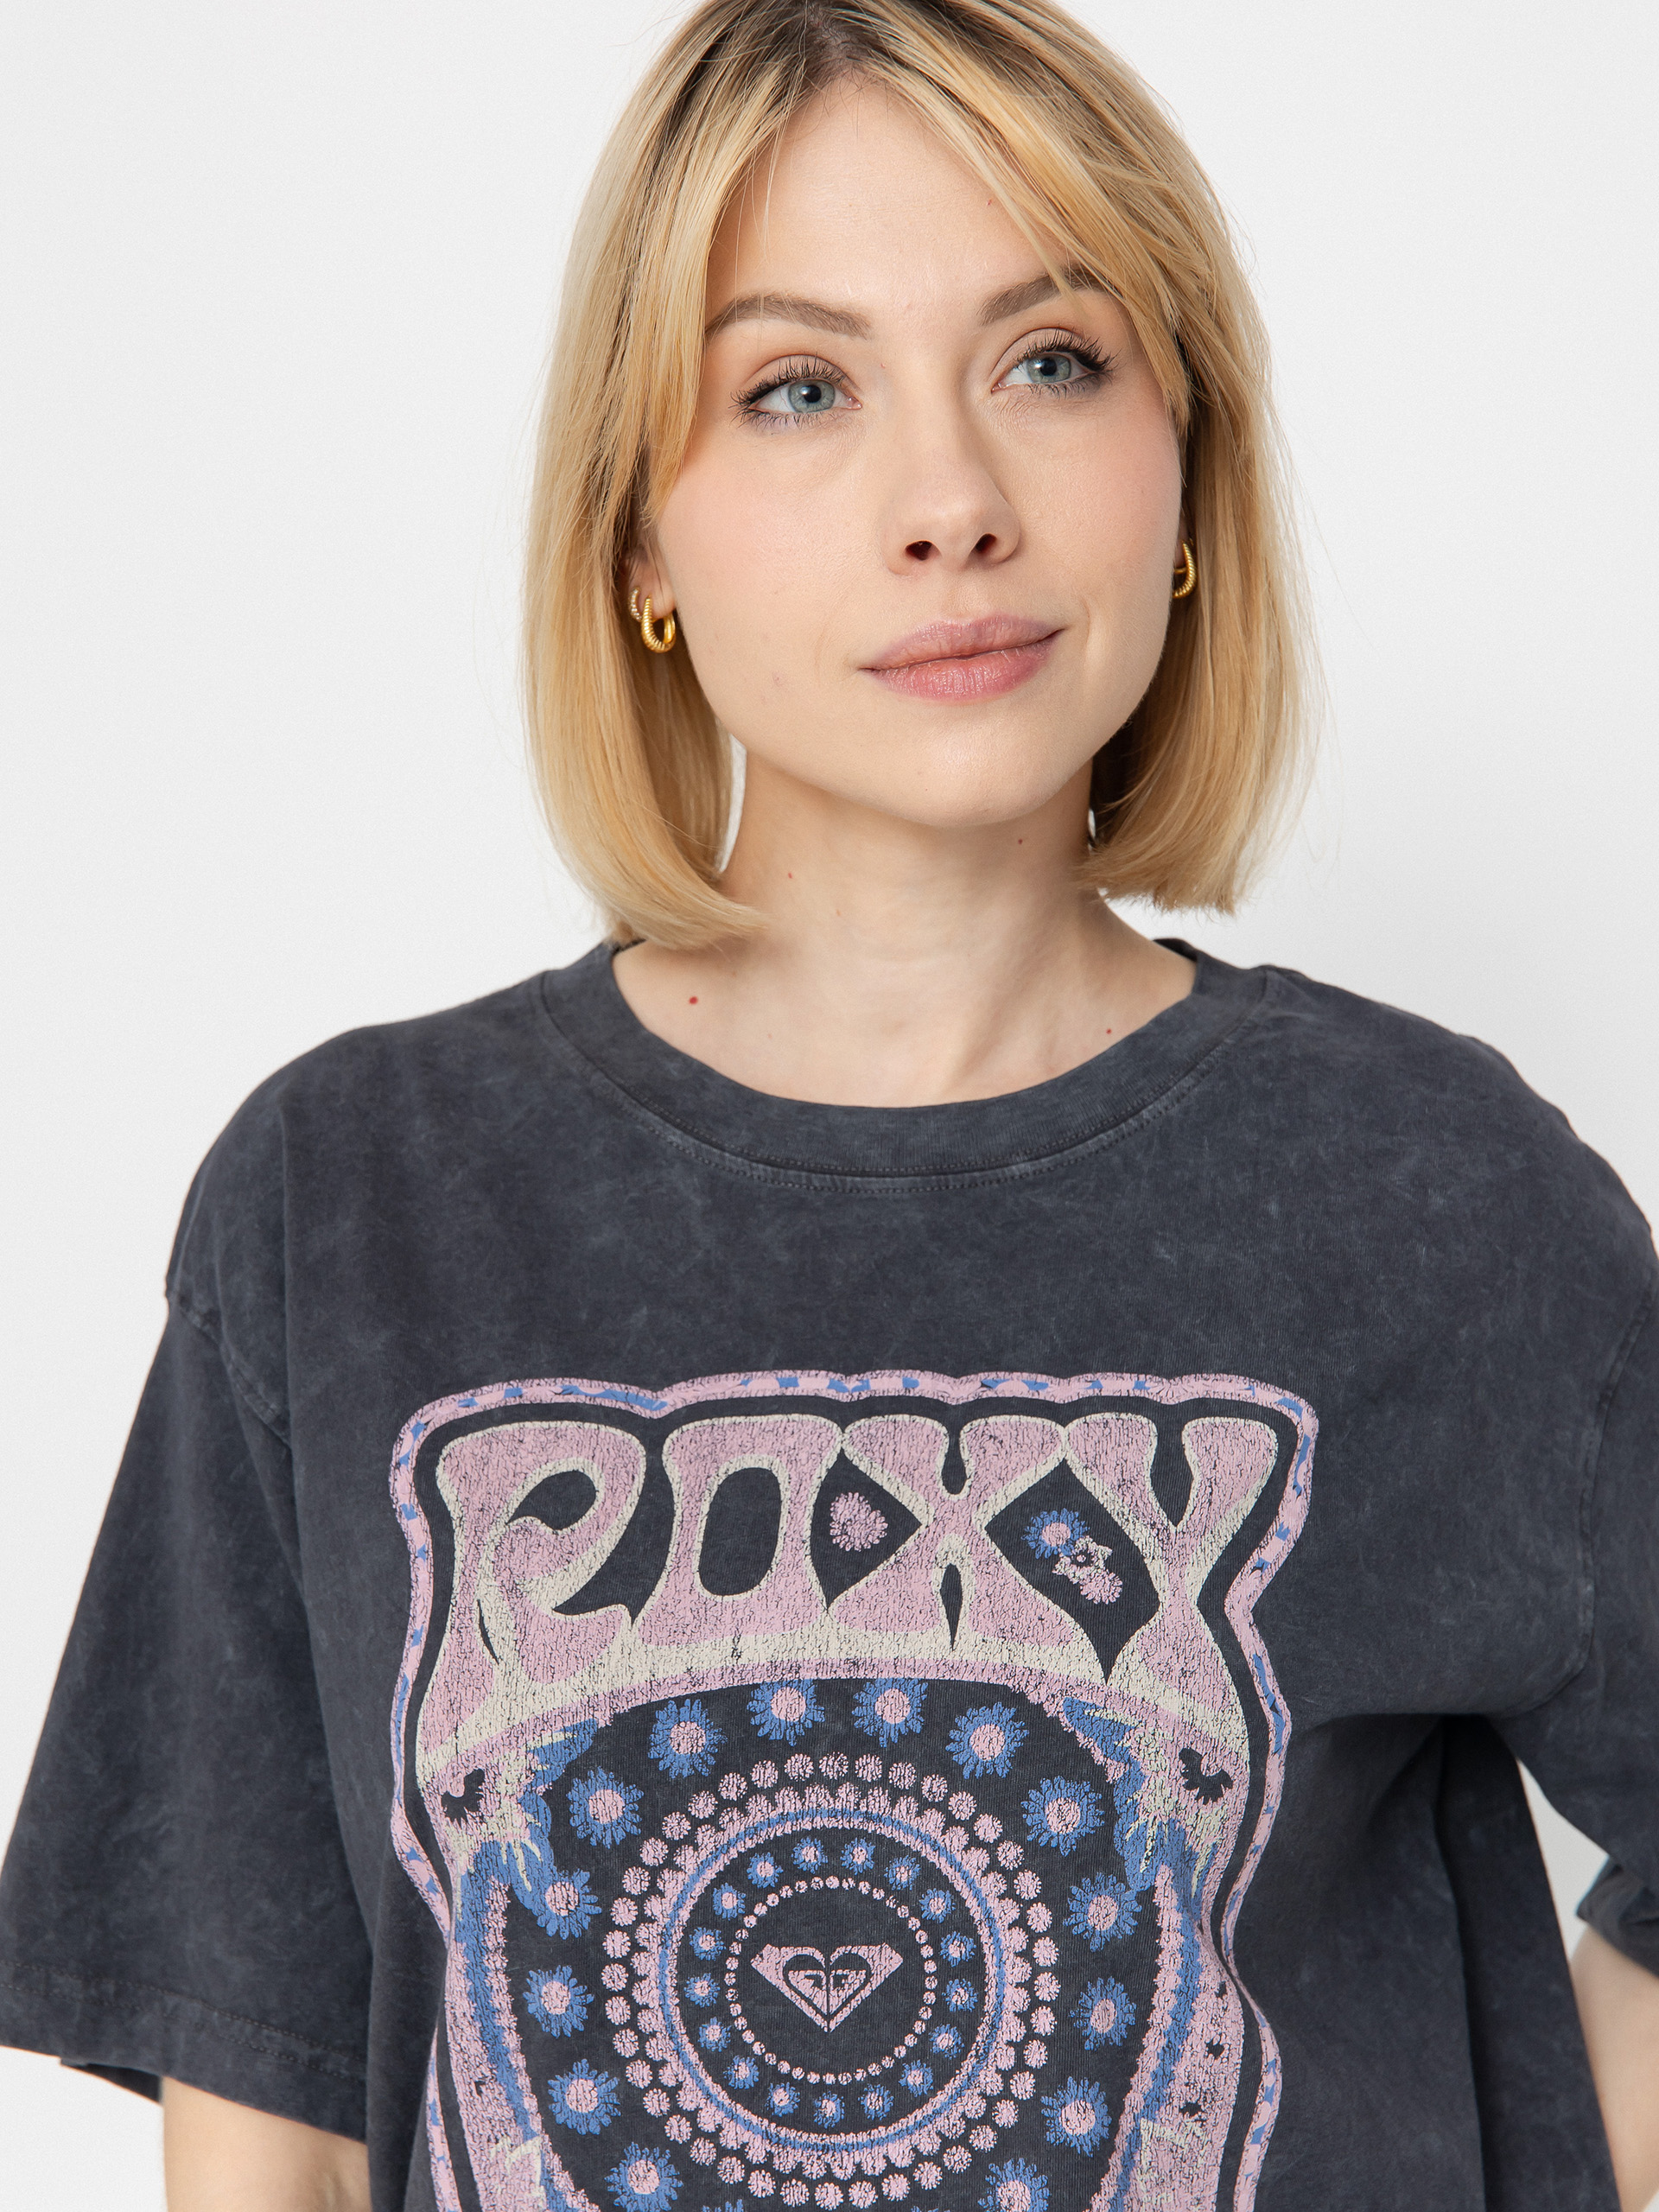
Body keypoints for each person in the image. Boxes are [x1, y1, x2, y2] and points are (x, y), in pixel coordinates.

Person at [2, 1, 1656, 2206]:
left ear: (1186, 467)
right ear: (639, 544)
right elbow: (271, 2103)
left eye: (1051, 359)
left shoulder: (1439, 1194)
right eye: (798, 388)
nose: (952, 503)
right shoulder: (349, 1199)